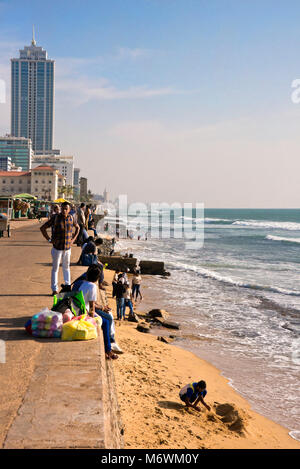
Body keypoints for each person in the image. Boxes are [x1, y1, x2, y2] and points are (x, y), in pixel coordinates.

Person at [78, 268, 118, 359]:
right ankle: (108, 350)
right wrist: (92, 319)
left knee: (107, 319)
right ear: (97, 278)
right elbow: (92, 306)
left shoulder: (84, 283)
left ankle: (108, 347)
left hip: (81, 310)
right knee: (106, 322)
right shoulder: (92, 286)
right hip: (85, 312)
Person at [40, 201, 79, 295]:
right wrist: (49, 240)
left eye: (66, 209)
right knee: (55, 268)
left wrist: (73, 240)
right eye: (63, 209)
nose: (64, 210)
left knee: (66, 268)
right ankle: (54, 289)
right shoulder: (55, 218)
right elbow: (43, 228)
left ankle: (67, 286)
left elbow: (78, 228)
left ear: (69, 210)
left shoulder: (71, 218)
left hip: (67, 248)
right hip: (57, 248)